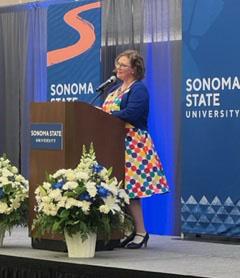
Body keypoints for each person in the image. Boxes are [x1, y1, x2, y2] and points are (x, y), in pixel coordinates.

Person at [101, 50, 169, 249]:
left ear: (134, 69)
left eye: (123, 65)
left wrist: (106, 114)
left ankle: (141, 232)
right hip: (115, 144)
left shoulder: (139, 89)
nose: (118, 68)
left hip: (134, 144)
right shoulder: (116, 89)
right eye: (118, 64)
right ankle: (127, 230)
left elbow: (132, 113)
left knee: (132, 192)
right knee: (119, 190)